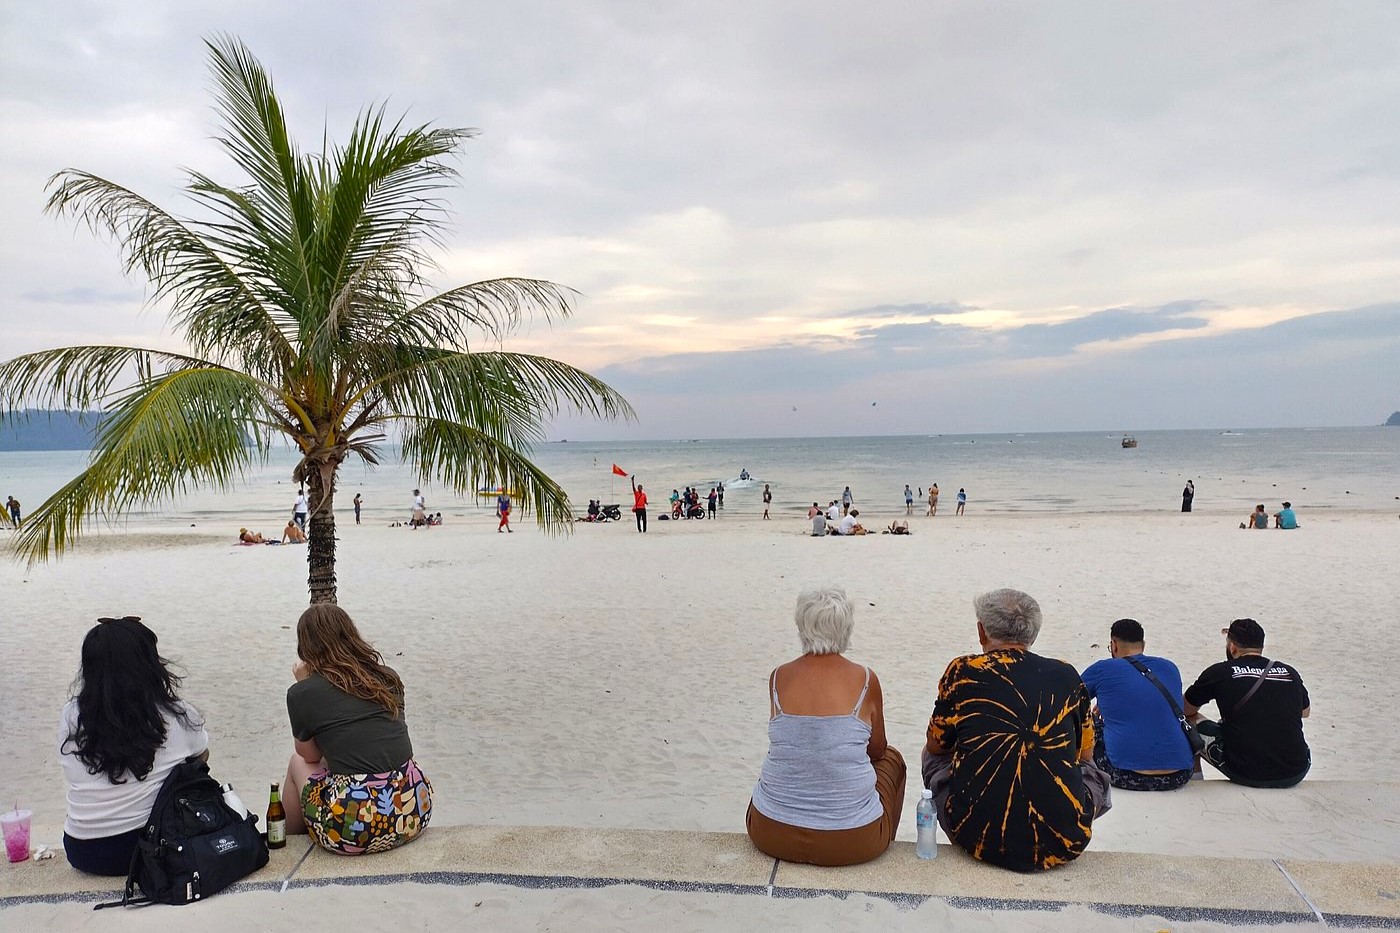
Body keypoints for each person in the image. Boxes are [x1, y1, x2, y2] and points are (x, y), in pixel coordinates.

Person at [923, 589, 1107, 872]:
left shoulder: (962, 670)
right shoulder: (1066, 674)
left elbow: (937, 747)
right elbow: (1085, 753)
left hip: (975, 838)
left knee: (931, 753)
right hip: (1066, 841)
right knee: (1089, 767)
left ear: (981, 631)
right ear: (1032, 634)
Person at [746, 586, 906, 866]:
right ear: (846, 627)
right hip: (853, 840)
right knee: (892, 760)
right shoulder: (866, 679)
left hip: (769, 830)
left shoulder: (778, 677)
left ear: (802, 625)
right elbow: (877, 750)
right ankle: (885, 839)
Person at [59, 616, 209, 875]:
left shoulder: (71, 715)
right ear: (149, 665)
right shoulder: (176, 715)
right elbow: (202, 756)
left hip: (82, 849)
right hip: (146, 847)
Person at [283, 604, 433, 854]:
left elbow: (309, 756)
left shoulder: (302, 693)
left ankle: (288, 842)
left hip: (356, 829)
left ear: (306, 648)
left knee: (296, 763)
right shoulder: (388, 677)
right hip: (414, 809)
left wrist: (304, 686)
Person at [1184, 619, 1310, 788]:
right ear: (1261, 647)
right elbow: (1305, 712)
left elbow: (1185, 708)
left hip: (1245, 771)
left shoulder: (1220, 672)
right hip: (1296, 770)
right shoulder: (1289, 672)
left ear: (1232, 647)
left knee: (1186, 723)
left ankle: (1195, 781)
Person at [1080, 619, 1194, 791]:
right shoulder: (1170, 667)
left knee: (1087, 721)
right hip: (1180, 775)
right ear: (1143, 645)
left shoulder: (1102, 669)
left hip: (1124, 774)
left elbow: (1069, 702)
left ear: (1114, 645)